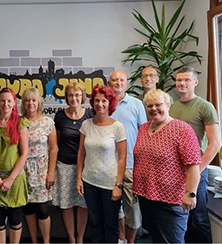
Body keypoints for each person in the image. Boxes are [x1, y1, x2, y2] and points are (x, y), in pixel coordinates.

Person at [133, 89, 202, 243]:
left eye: (158, 104)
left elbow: (193, 164)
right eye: (149, 106)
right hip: (147, 197)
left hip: (172, 200)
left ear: (168, 105)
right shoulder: (143, 128)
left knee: (172, 241)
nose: (154, 109)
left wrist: (191, 194)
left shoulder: (182, 129)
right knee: (157, 239)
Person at [170, 66, 221, 243]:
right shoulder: (172, 107)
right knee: (182, 217)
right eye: (179, 80)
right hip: (175, 171)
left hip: (197, 170)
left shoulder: (205, 107)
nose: (182, 83)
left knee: (198, 217)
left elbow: (215, 143)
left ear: (195, 82)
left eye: (187, 80)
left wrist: (197, 170)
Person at [76, 85, 127, 243]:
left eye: (104, 100)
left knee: (110, 224)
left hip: (110, 184)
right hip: (90, 181)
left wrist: (119, 184)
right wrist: (79, 178)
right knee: (95, 222)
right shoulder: (86, 125)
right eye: (97, 100)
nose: (100, 104)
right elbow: (81, 153)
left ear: (110, 103)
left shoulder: (117, 127)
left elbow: (122, 157)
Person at [0, 88, 29, 244]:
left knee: (15, 218)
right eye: (2, 100)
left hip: (14, 181)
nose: (6, 104)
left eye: (9, 100)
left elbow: (24, 154)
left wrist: (10, 179)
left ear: (14, 103)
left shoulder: (21, 123)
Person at [108, 70, 147, 244]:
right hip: (108, 166)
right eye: (114, 80)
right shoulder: (104, 104)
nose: (118, 82)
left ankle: (130, 241)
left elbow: (145, 133)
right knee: (114, 208)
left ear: (127, 83)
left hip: (131, 165)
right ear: (109, 83)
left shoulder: (137, 104)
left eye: (121, 80)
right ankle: (120, 238)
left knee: (133, 209)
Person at [52, 82, 93, 243]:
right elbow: (57, 142)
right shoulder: (60, 116)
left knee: (83, 204)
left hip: (85, 166)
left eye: (77, 95)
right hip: (64, 165)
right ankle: (71, 238)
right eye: (70, 95)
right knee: (67, 203)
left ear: (82, 97)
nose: (74, 98)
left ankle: (80, 238)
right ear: (66, 98)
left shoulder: (89, 114)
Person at [21, 87, 58, 244]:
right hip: (23, 170)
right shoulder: (18, 121)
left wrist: (51, 172)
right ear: (23, 103)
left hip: (42, 170)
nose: (30, 103)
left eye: (33, 100)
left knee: (43, 209)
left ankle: (46, 241)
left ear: (39, 102)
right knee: (28, 208)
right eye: (27, 100)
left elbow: (54, 148)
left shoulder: (47, 122)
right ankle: (34, 240)